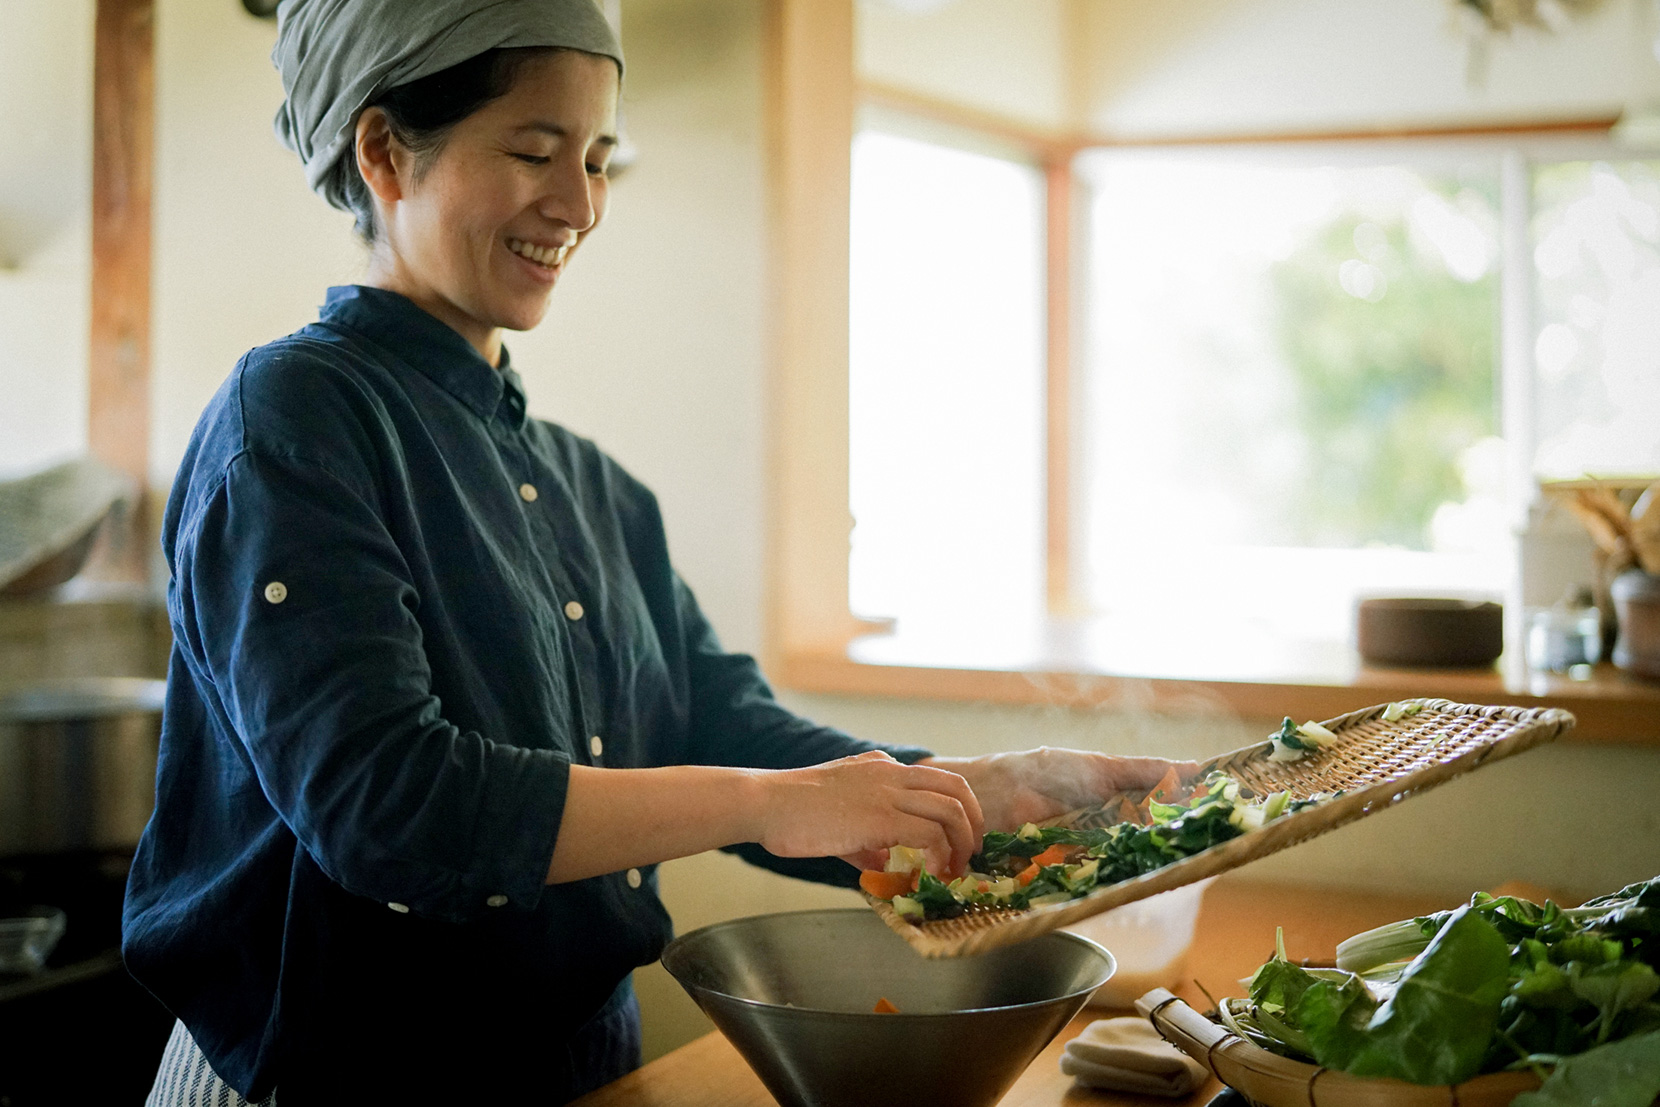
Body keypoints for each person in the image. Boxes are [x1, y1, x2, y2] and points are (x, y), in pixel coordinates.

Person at [123, 2, 1186, 1103]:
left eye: (597, 159)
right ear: (385, 152)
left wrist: (978, 794)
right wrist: (772, 803)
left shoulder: (593, 487)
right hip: (325, 1075)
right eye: (533, 152)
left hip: (576, 1065)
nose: (579, 204)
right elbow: (391, 807)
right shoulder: (294, 415)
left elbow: (720, 726)